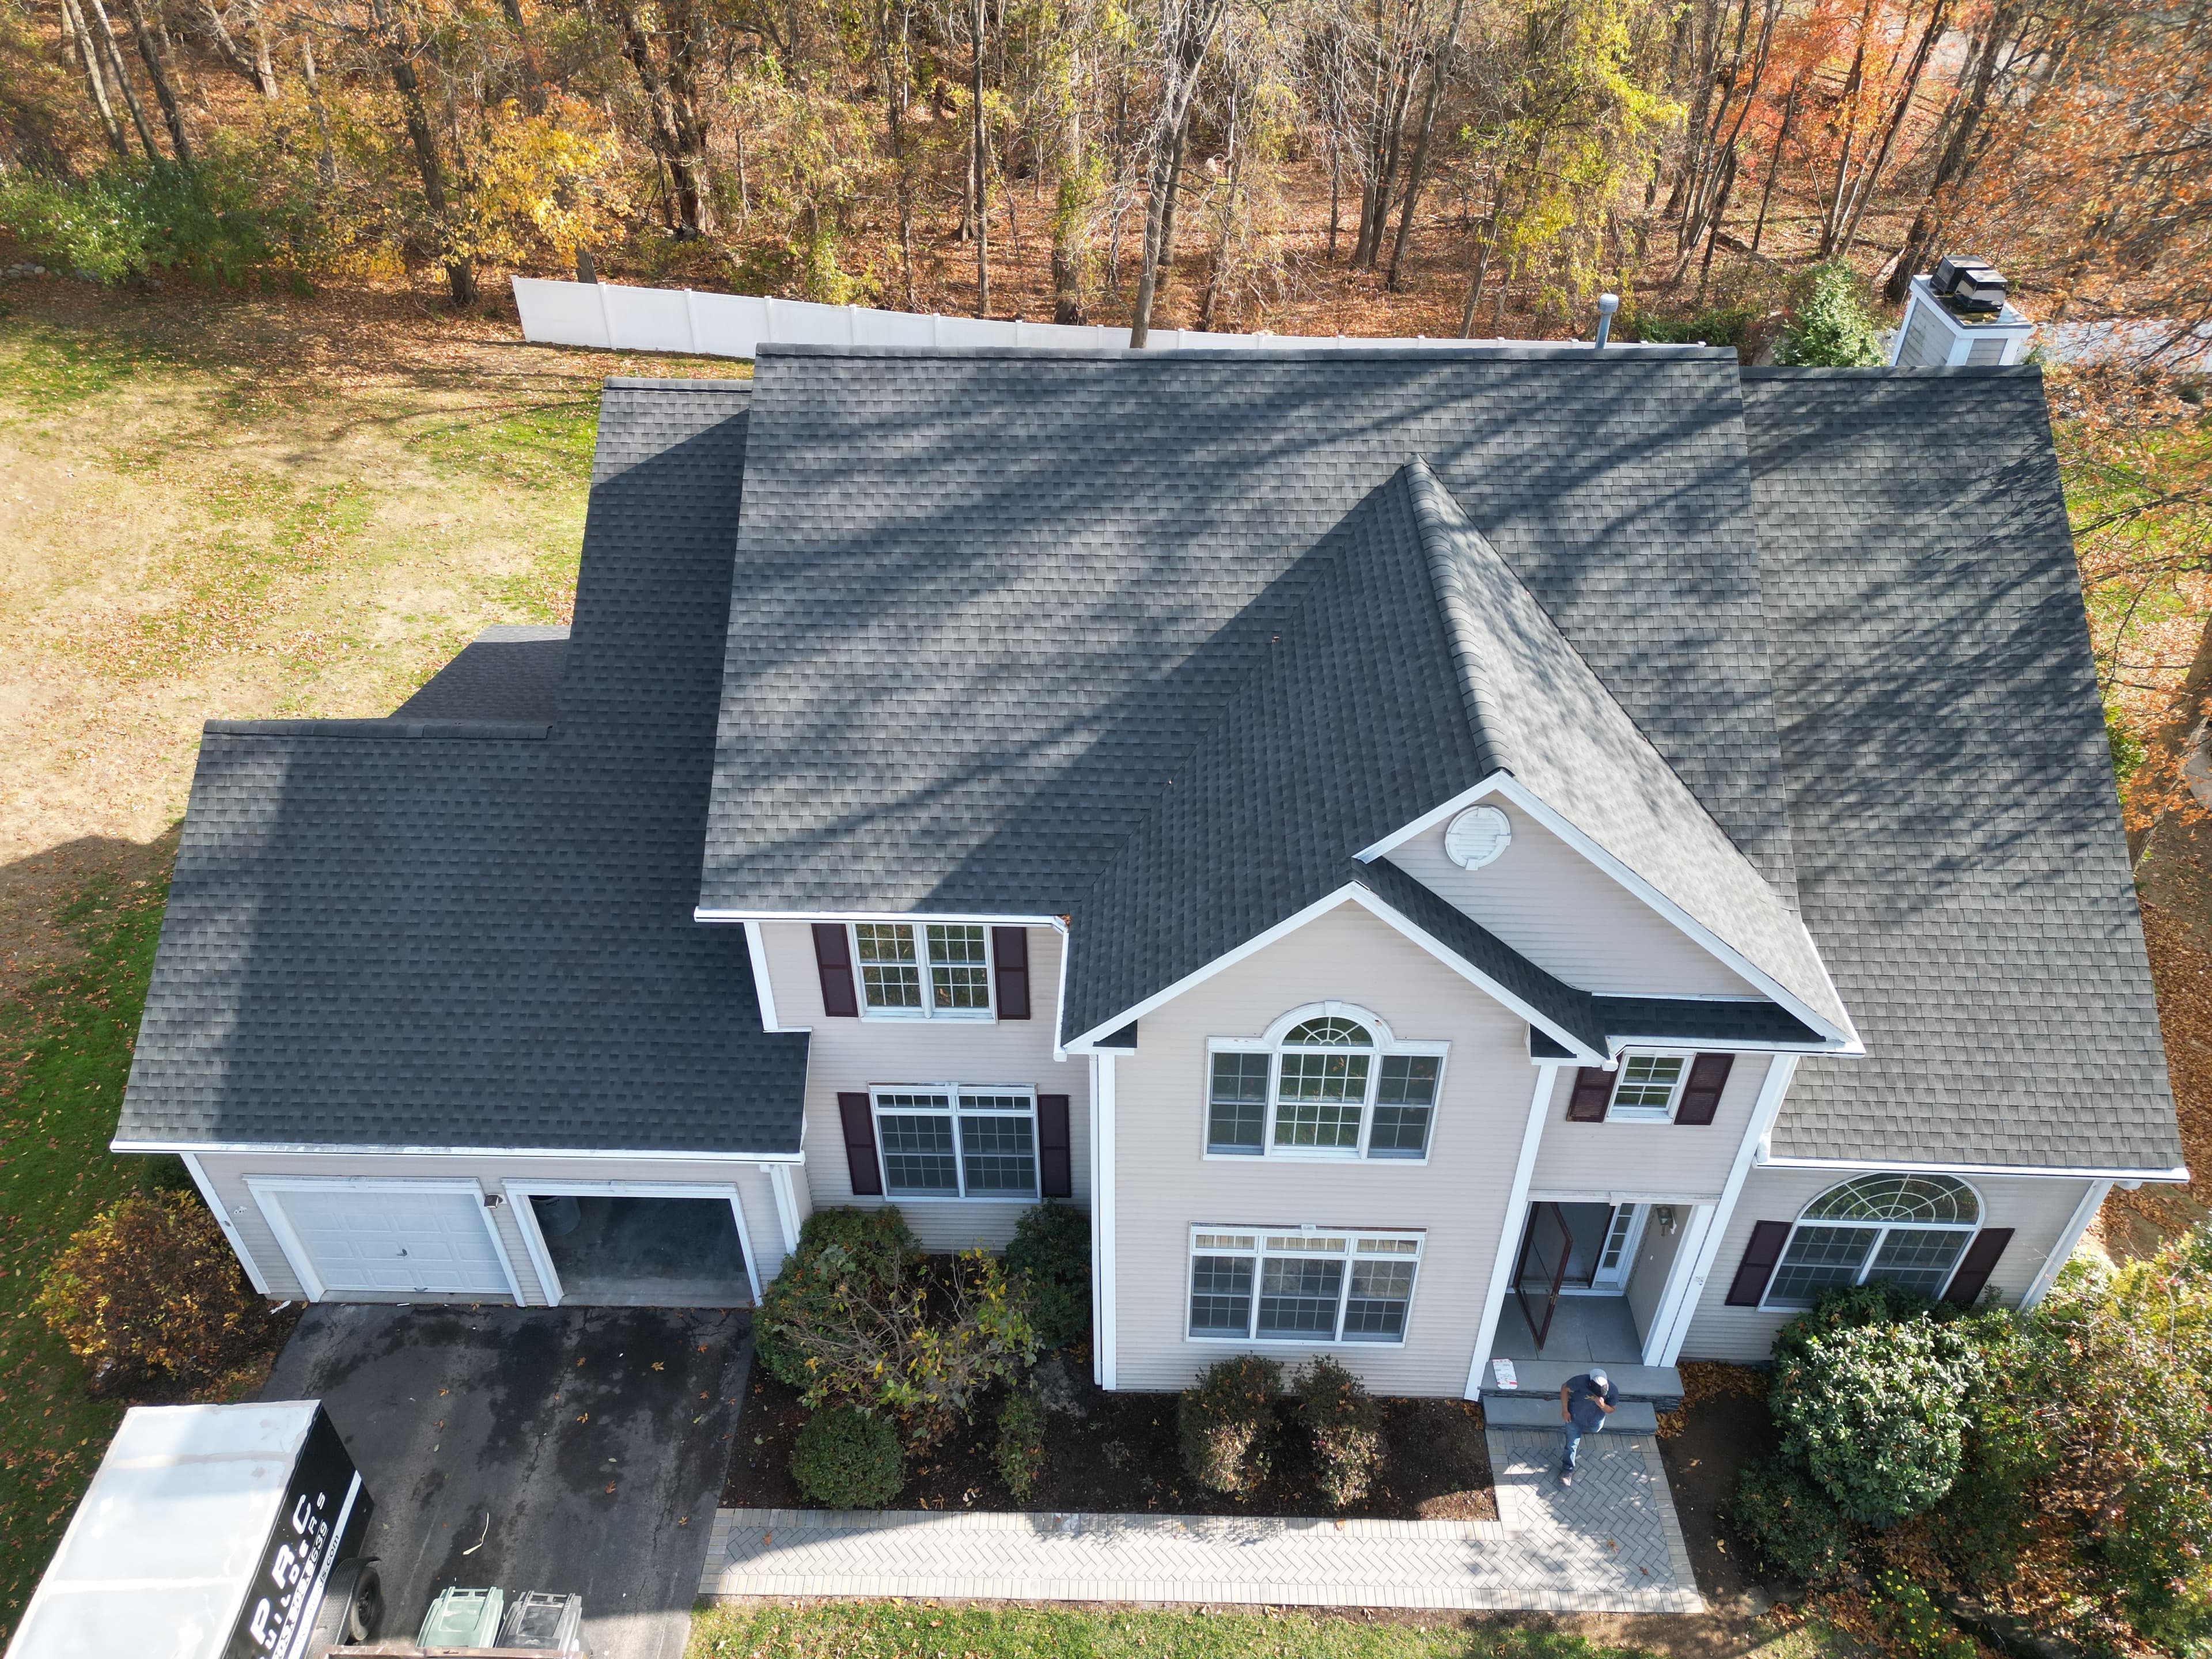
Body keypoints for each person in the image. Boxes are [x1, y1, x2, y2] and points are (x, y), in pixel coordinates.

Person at [1558, 1368, 1618, 1485]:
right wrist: (1565, 1410)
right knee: (1571, 1445)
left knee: (1595, 1430)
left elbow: (1611, 1410)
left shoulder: (1612, 1390)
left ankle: (1586, 1430)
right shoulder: (1580, 1381)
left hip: (1595, 1421)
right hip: (1574, 1419)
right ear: (1589, 1383)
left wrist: (1602, 1406)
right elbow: (1565, 1388)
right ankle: (1567, 1471)